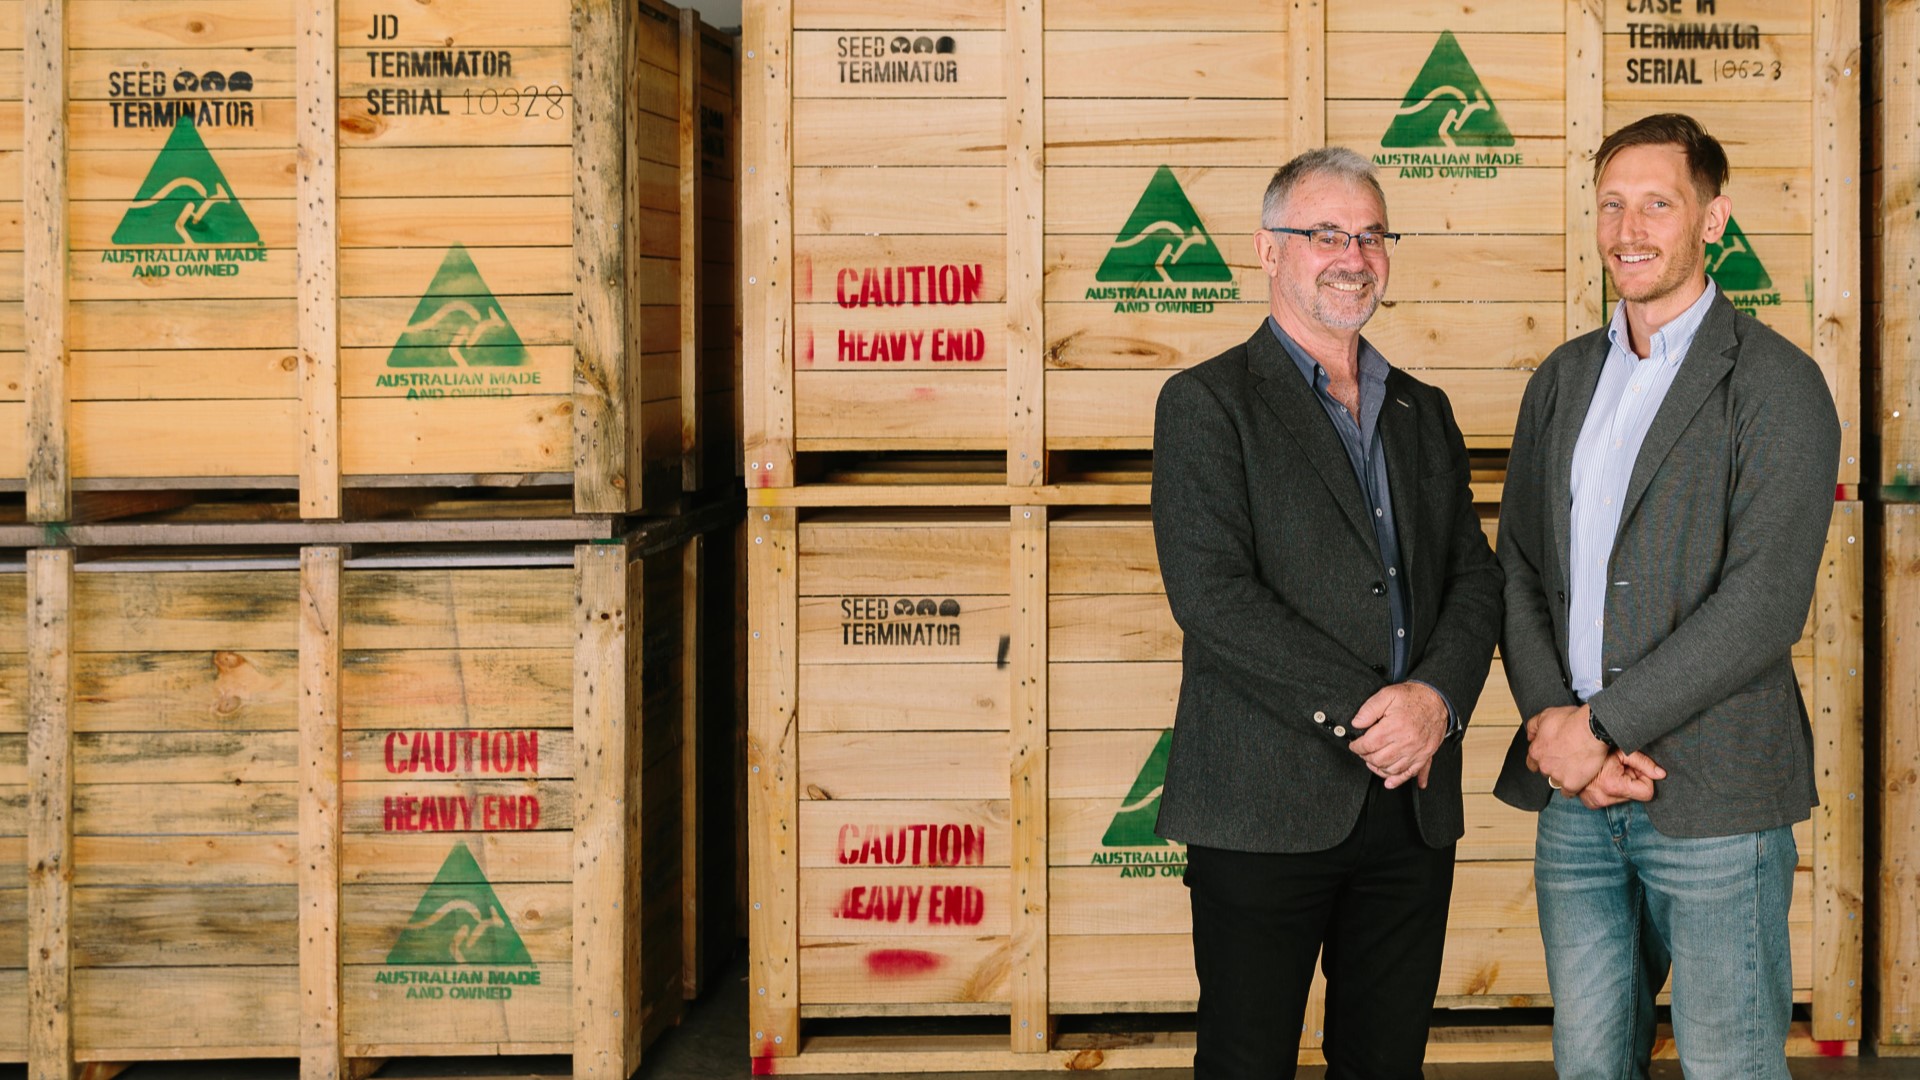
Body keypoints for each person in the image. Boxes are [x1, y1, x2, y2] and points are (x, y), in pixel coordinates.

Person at [1493, 112, 1840, 1079]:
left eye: (1658, 203)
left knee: (1729, 1063)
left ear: (1713, 218)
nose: (1628, 228)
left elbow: (1764, 605)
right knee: (1589, 1063)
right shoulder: (1563, 380)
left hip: (1717, 797)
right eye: (1611, 204)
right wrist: (1556, 731)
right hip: (1577, 800)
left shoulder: (1777, 383)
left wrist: (1595, 727)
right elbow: (1519, 565)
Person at [1150, 146, 1503, 1079]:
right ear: (1268, 251)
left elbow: (1476, 577)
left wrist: (1432, 702)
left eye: (1371, 234)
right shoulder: (1206, 404)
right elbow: (1213, 598)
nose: (1353, 254)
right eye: (1326, 234)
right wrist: (1366, 714)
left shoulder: (1423, 411)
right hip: (1264, 805)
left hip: (1412, 801)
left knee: (1387, 1064)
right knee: (1246, 1061)